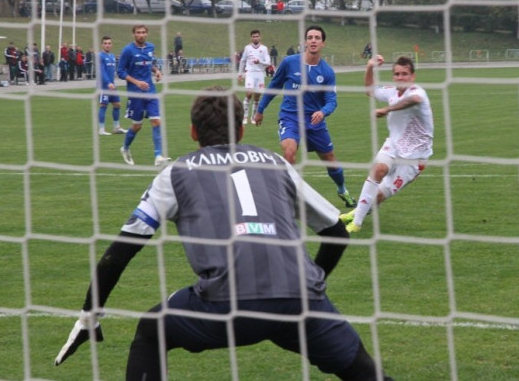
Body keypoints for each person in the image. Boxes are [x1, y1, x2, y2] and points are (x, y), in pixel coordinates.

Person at [53, 86, 392, 381]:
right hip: (302, 301)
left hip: (227, 305)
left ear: (193, 132)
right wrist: (307, 286)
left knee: (151, 331)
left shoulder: (175, 173)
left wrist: (89, 315)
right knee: (366, 374)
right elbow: (337, 233)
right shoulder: (274, 161)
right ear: (241, 131)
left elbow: (120, 252)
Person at [253, 25, 356, 208]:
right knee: (289, 152)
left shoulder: (327, 72)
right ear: (305, 42)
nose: (313, 40)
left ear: (323, 43)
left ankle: (342, 190)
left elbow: (332, 101)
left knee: (331, 161)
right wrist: (260, 109)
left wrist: (322, 112)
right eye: (310, 37)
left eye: (317, 38)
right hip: (290, 117)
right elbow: (274, 86)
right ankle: (288, 197)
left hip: (314, 121)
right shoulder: (289, 63)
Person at [340, 55, 433, 233]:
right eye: (397, 74)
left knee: (379, 196)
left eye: (404, 74)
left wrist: (387, 109)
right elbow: (370, 89)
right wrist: (370, 67)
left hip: (415, 158)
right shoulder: (391, 91)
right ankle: (357, 223)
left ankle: (356, 213)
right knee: (378, 170)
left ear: (412, 76)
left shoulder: (418, 93)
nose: (400, 77)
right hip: (394, 146)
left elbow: (413, 101)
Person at [117, 24, 169, 167]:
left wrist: (157, 71)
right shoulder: (128, 50)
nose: (141, 35)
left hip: (150, 91)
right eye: (138, 32)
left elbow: (149, 64)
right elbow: (120, 72)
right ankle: (125, 148)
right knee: (137, 126)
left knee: (156, 121)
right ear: (134, 34)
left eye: (143, 32)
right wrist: (137, 82)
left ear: (147, 34)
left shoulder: (150, 47)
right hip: (135, 93)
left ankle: (158, 156)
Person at [238, 29, 271, 124]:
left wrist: (259, 62)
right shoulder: (247, 48)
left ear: (260, 37)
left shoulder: (264, 49)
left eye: (257, 36)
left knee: (257, 97)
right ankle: (244, 116)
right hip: (250, 73)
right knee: (249, 94)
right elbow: (243, 61)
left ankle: (253, 117)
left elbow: (268, 62)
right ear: (251, 38)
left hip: (260, 74)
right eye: (254, 36)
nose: (255, 38)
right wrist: (240, 74)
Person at [98, 36, 127, 136]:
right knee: (103, 105)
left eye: (109, 43)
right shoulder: (100, 56)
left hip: (112, 85)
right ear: (102, 45)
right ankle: (101, 129)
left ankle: (116, 128)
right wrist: (108, 82)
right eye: (105, 43)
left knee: (117, 104)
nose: (107, 45)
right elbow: (101, 71)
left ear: (112, 45)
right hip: (103, 86)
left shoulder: (112, 56)